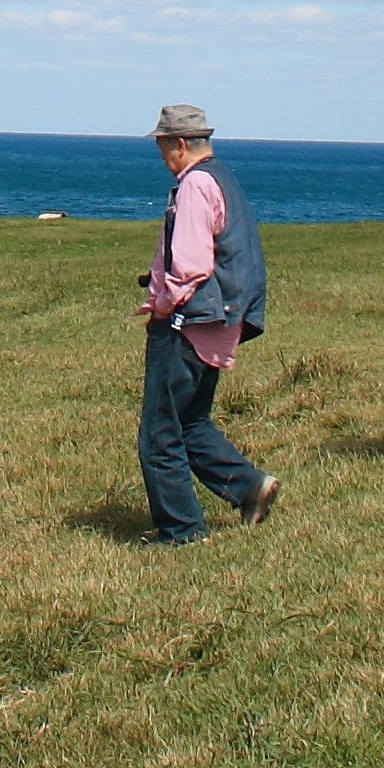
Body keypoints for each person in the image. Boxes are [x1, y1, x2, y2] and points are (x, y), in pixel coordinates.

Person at [132, 102, 280, 545]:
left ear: (180, 144)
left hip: (189, 323)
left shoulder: (195, 184)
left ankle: (182, 530)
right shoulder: (223, 178)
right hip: (220, 322)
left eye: (163, 147)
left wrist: (163, 304)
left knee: (159, 433)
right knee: (191, 421)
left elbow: (192, 265)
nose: (162, 157)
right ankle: (249, 487)